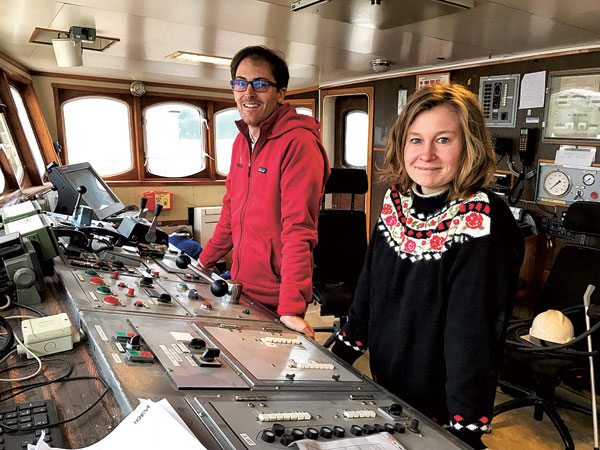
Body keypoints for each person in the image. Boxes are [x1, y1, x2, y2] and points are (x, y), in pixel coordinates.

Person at [331, 83, 524, 449]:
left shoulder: (482, 216)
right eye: (416, 140)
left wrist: (464, 428)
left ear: (469, 144)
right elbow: (372, 282)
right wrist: (340, 354)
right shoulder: (396, 198)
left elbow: (474, 331)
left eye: (444, 140)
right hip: (387, 378)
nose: (427, 155)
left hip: (441, 398)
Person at [198, 46, 330, 338]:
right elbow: (231, 212)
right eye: (240, 83)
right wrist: (202, 262)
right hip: (241, 284)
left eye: (260, 84)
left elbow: (299, 230)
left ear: (281, 93)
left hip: (276, 294)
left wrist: (291, 308)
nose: (248, 92)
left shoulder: (299, 144)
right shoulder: (241, 141)